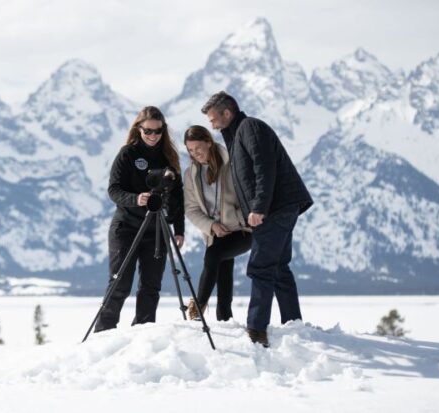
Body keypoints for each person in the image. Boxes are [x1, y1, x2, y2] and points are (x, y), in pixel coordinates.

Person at [201, 91, 313, 347]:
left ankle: (257, 330)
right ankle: (292, 325)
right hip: (280, 206)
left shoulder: (250, 128)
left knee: (260, 267)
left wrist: (259, 208)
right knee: (278, 268)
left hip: (275, 208)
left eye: (213, 119)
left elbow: (265, 169)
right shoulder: (237, 134)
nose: (212, 125)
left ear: (227, 113)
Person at [94, 106, 185, 332]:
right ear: (138, 129)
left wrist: (180, 229)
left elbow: (177, 197)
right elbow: (113, 190)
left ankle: (142, 336)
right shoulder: (127, 154)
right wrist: (137, 199)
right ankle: (102, 335)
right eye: (148, 131)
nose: (153, 136)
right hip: (126, 226)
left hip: (157, 230)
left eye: (158, 131)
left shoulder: (169, 158)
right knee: (120, 282)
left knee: (151, 286)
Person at [182, 125, 252, 322]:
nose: (195, 154)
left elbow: (248, 198)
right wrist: (211, 226)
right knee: (222, 264)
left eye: (198, 149)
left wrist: (236, 220)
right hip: (215, 233)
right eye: (190, 151)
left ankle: (198, 305)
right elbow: (191, 209)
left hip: (243, 230)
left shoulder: (232, 164)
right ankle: (225, 317)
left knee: (214, 255)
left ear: (209, 143)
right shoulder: (191, 175)